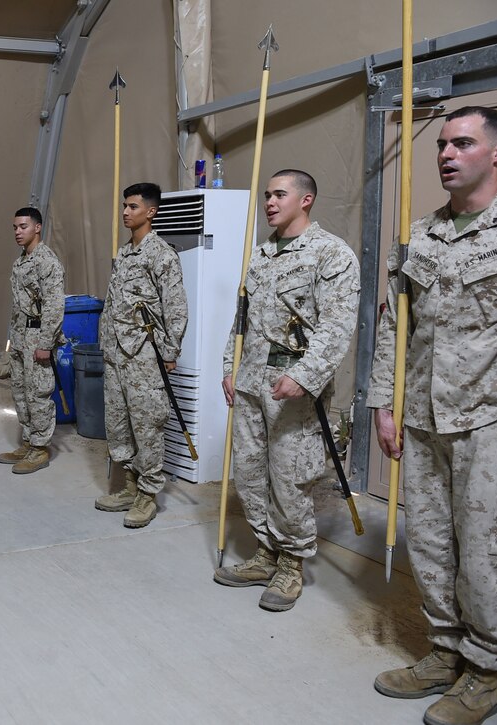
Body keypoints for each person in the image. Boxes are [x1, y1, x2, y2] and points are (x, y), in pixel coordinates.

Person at [368, 106, 497, 725]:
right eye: (442, 144)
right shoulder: (419, 236)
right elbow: (394, 328)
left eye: (463, 143)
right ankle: (446, 650)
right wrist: (383, 405)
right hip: (421, 416)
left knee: (485, 550)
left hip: (488, 417)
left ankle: (490, 666)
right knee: (428, 542)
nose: (447, 154)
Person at [214, 169, 359, 612]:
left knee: (291, 477)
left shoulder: (331, 254)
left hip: (293, 388)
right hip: (252, 380)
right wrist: (229, 365)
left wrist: (305, 375)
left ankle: (292, 563)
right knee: (250, 472)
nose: (270, 202)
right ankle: (266, 550)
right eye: (267, 195)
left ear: (306, 200)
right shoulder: (260, 254)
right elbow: (243, 319)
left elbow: (336, 326)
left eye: (280, 194)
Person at [94, 183, 188, 528]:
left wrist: (169, 351)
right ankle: (130, 486)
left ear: (151, 212)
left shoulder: (161, 254)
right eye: (124, 206)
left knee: (147, 425)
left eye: (133, 207)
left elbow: (175, 307)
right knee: (118, 425)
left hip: (144, 357)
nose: (125, 212)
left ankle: (148, 495)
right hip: (117, 355)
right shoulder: (125, 252)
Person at [0, 207, 65, 474]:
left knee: (38, 393)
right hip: (21, 335)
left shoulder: (47, 261)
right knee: (20, 391)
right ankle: (28, 441)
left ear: (37, 228)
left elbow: (54, 306)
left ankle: (40, 448)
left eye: (23, 226)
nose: (17, 232)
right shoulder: (21, 261)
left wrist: (46, 344)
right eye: (14, 227)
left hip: (39, 335)